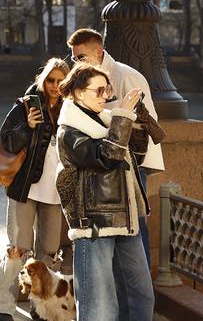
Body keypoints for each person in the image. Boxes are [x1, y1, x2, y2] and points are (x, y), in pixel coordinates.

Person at [55, 63, 157, 320]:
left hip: (126, 220)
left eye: (106, 90)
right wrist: (122, 117)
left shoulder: (106, 121)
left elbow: (137, 158)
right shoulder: (69, 131)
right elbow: (107, 157)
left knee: (141, 296)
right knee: (100, 308)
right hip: (95, 227)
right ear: (78, 93)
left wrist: (135, 122)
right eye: (98, 90)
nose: (105, 96)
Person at [67, 28, 165, 266]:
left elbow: (142, 122)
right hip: (113, 159)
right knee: (126, 226)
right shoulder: (96, 77)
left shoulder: (124, 76)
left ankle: (142, 284)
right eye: (73, 58)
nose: (75, 63)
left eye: (80, 57)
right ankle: (129, 284)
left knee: (135, 225)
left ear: (99, 52)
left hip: (132, 160)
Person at [0, 58, 70, 321]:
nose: (55, 86)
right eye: (51, 80)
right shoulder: (25, 104)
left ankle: (40, 309)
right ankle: (3, 307)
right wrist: (28, 127)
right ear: (43, 79)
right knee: (17, 250)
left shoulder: (71, 108)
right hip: (25, 189)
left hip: (55, 193)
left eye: (60, 81)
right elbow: (6, 142)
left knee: (47, 254)